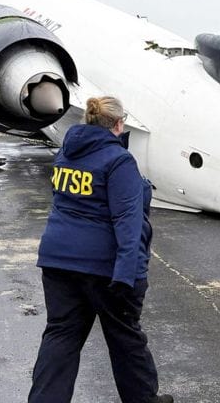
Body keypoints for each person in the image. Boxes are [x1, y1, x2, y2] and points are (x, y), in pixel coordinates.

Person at [29, 97, 173, 403]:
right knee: (125, 337)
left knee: (61, 335)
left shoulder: (66, 154)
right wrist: (127, 274)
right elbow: (127, 221)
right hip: (103, 268)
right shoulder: (118, 161)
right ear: (119, 125)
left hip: (58, 261)